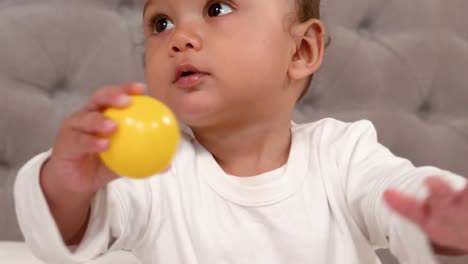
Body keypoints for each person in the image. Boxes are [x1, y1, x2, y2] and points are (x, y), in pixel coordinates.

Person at [14, 0, 468, 263]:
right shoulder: (154, 168)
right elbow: (75, 231)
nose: (179, 37)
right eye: (160, 23)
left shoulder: (342, 153)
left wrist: (443, 219)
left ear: (302, 49)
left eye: (217, 7)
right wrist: (66, 185)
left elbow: (396, 192)